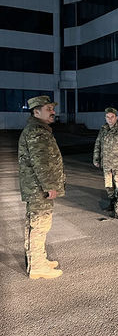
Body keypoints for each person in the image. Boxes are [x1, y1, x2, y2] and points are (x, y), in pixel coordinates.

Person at [18, 96, 66, 279]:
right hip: (39, 189)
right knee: (39, 225)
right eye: (48, 109)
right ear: (36, 112)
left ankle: (37, 260)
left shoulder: (38, 129)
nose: (53, 112)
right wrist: (50, 186)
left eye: (52, 108)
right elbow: (41, 163)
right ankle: (37, 266)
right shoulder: (37, 131)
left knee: (35, 225)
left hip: (36, 188)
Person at [93, 107, 118, 210]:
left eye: (112, 117)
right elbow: (98, 144)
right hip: (106, 162)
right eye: (107, 117)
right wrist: (96, 159)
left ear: (116, 117)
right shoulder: (103, 129)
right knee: (108, 185)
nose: (110, 119)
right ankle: (112, 202)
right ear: (105, 118)